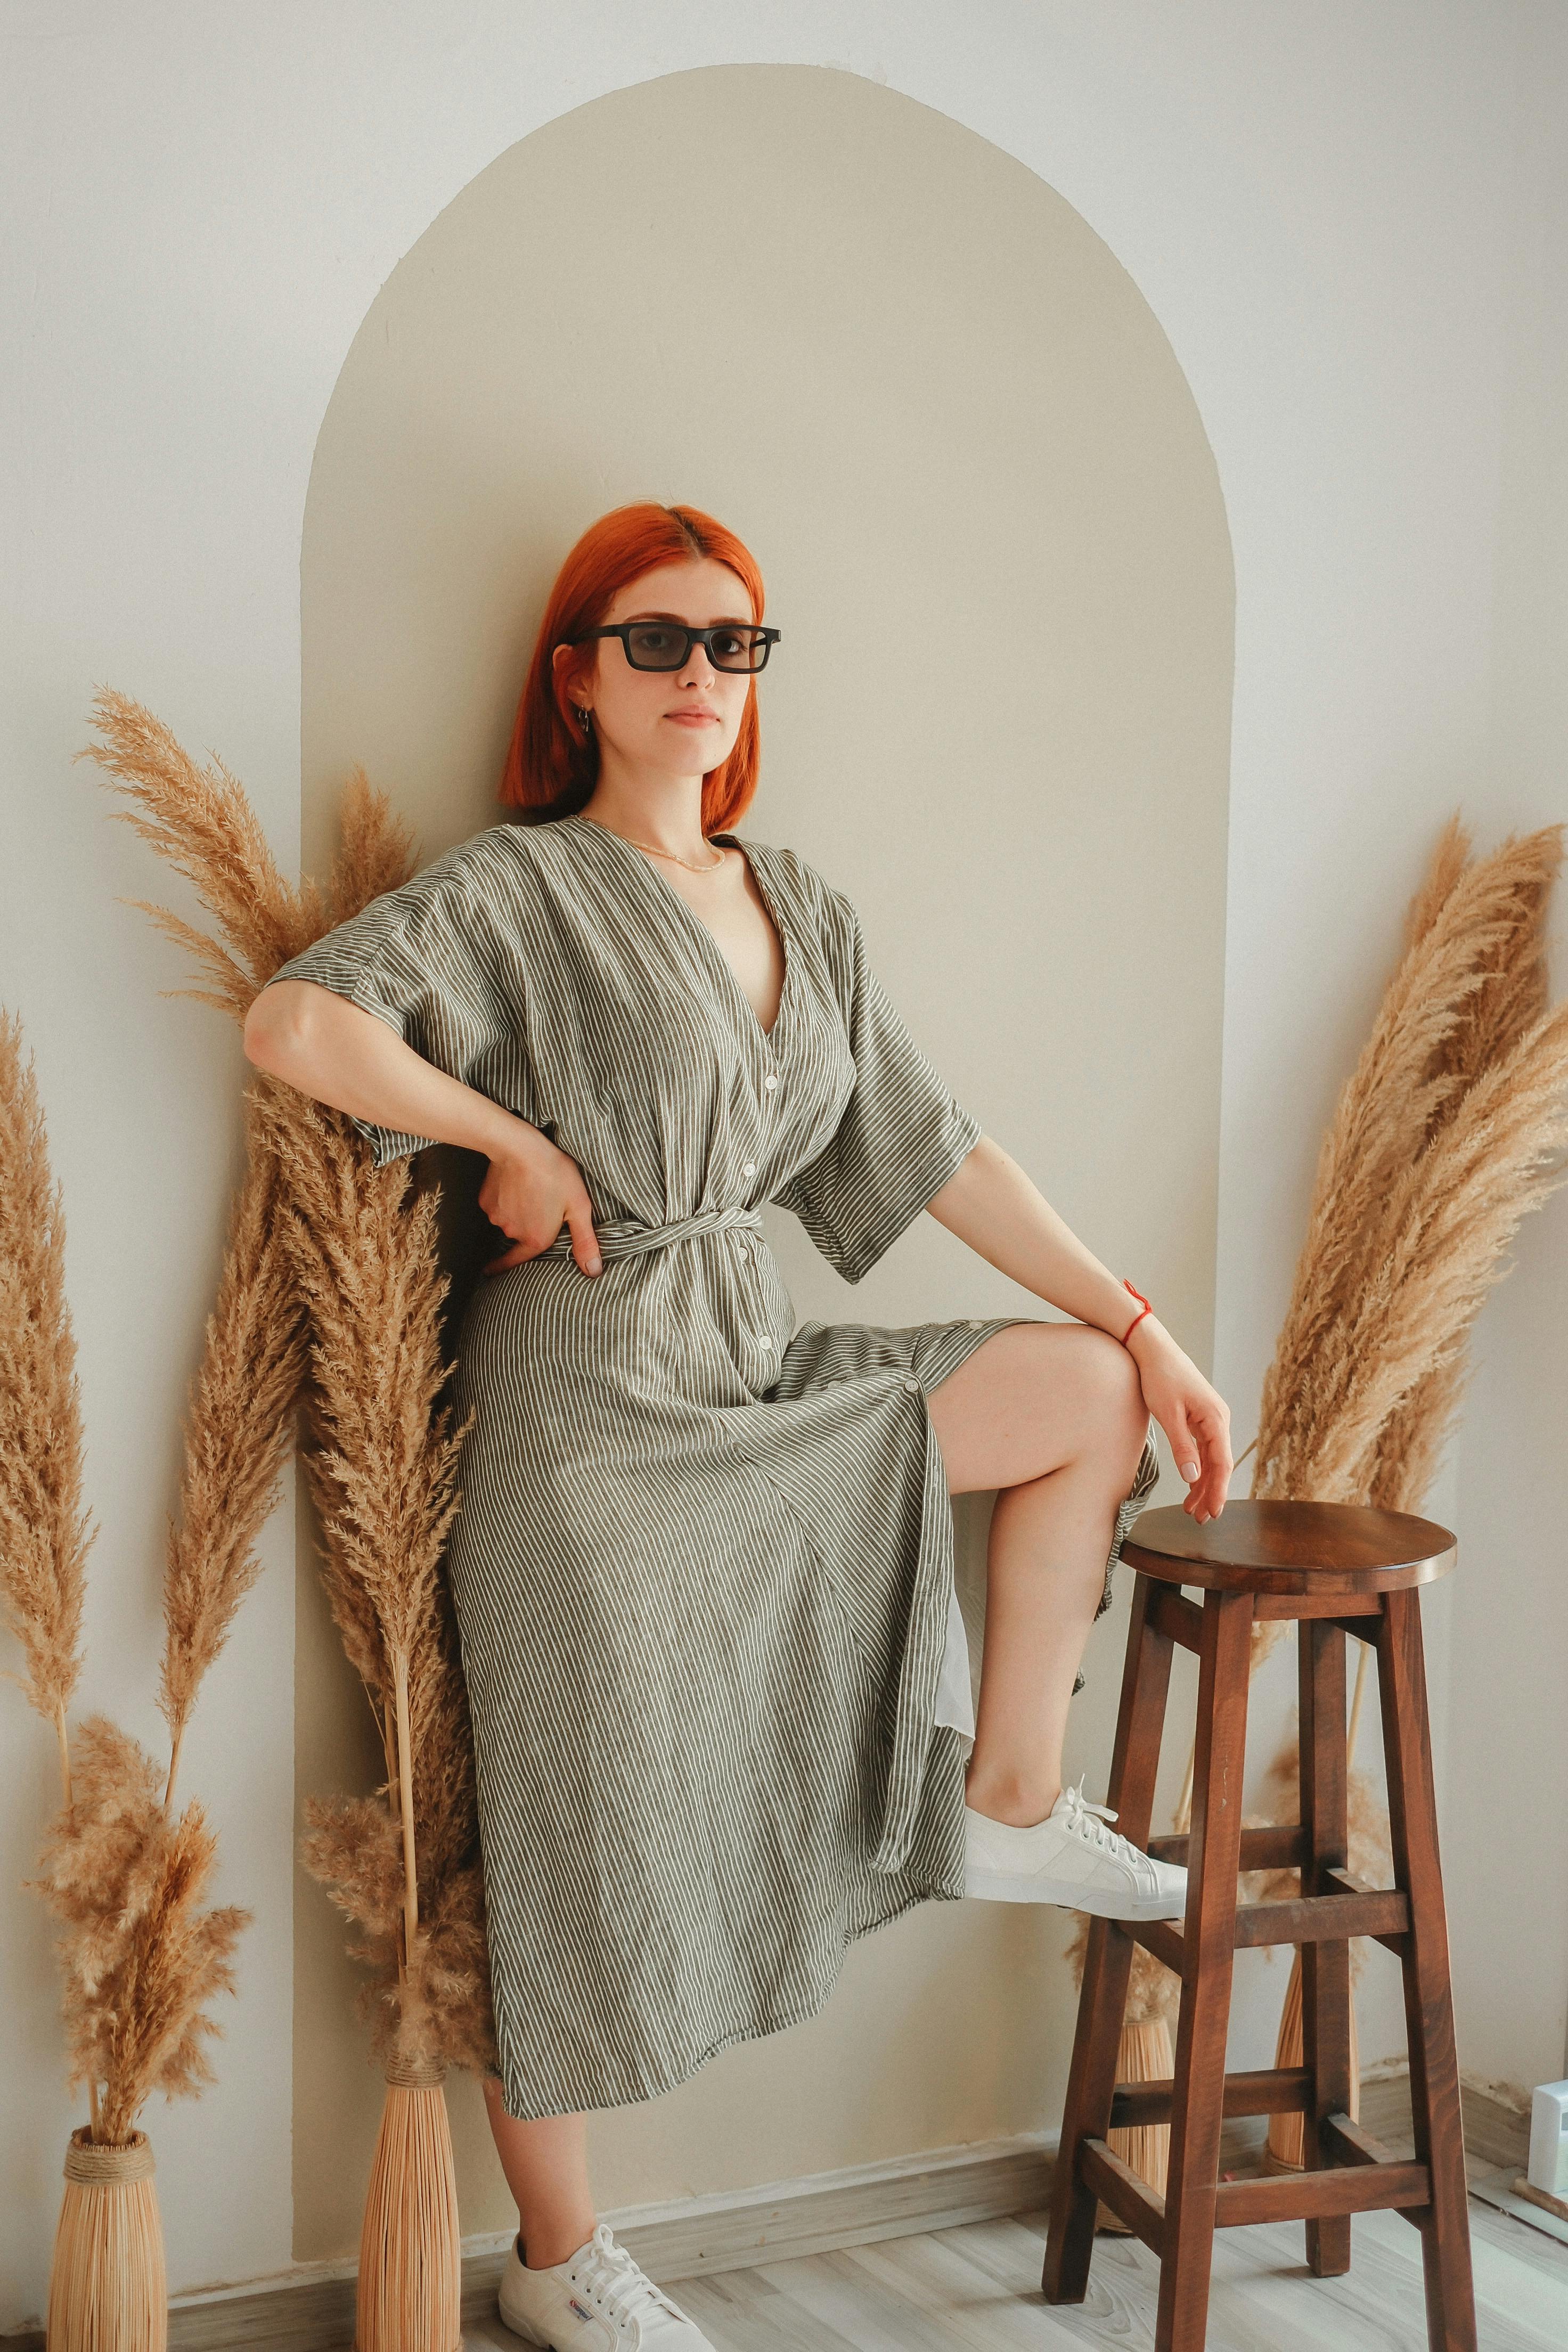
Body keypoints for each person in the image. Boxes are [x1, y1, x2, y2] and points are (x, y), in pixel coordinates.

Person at [244, 501, 1232, 2351]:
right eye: (661, 641)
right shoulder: (518, 889)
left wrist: (1146, 1323)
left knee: (1082, 1395)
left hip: (751, 1364)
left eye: (735, 644)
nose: (704, 675)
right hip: (581, 1418)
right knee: (569, 1830)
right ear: (581, 676)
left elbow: (939, 1150)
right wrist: (510, 1143)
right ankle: (561, 2265)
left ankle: (1005, 1795)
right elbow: (300, 1028)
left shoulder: (806, 908)